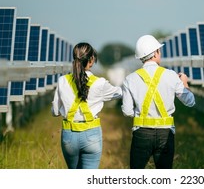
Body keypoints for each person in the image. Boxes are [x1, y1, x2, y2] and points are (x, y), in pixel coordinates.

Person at [121, 34, 195, 169]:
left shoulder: (130, 79)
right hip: (165, 134)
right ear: (155, 53)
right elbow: (190, 101)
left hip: (141, 133)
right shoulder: (171, 75)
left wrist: (141, 114)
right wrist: (184, 83)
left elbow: (126, 111)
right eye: (159, 50)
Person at [52, 42, 122, 169]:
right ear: (92, 60)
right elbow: (119, 93)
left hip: (69, 136)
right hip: (92, 136)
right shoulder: (100, 83)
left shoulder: (62, 81)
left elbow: (55, 111)